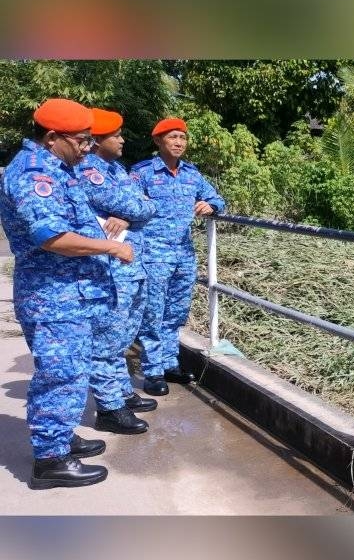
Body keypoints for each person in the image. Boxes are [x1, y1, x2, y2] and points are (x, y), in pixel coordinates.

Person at [0, 99, 134, 489]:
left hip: (70, 295)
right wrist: (113, 248)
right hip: (53, 296)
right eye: (81, 141)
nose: (88, 148)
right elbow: (52, 237)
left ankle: (58, 435)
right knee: (60, 375)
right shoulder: (33, 174)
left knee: (71, 373)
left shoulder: (60, 168)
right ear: (53, 137)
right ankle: (50, 460)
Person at [132, 118, 225, 396]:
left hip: (183, 255)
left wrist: (211, 205)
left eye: (182, 138)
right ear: (159, 141)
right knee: (152, 313)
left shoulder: (191, 174)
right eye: (172, 137)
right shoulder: (143, 173)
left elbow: (217, 199)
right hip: (153, 253)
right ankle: (152, 371)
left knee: (175, 313)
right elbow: (126, 206)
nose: (178, 143)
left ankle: (170, 364)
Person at [79, 108, 159, 430]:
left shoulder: (117, 170)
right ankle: (109, 409)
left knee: (123, 336)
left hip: (131, 264)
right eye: (116, 135)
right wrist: (134, 210)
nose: (122, 140)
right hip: (109, 269)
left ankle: (122, 393)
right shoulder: (89, 171)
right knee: (107, 340)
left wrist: (128, 215)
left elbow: (148, 205)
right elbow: (139, 205)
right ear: (97, 141)